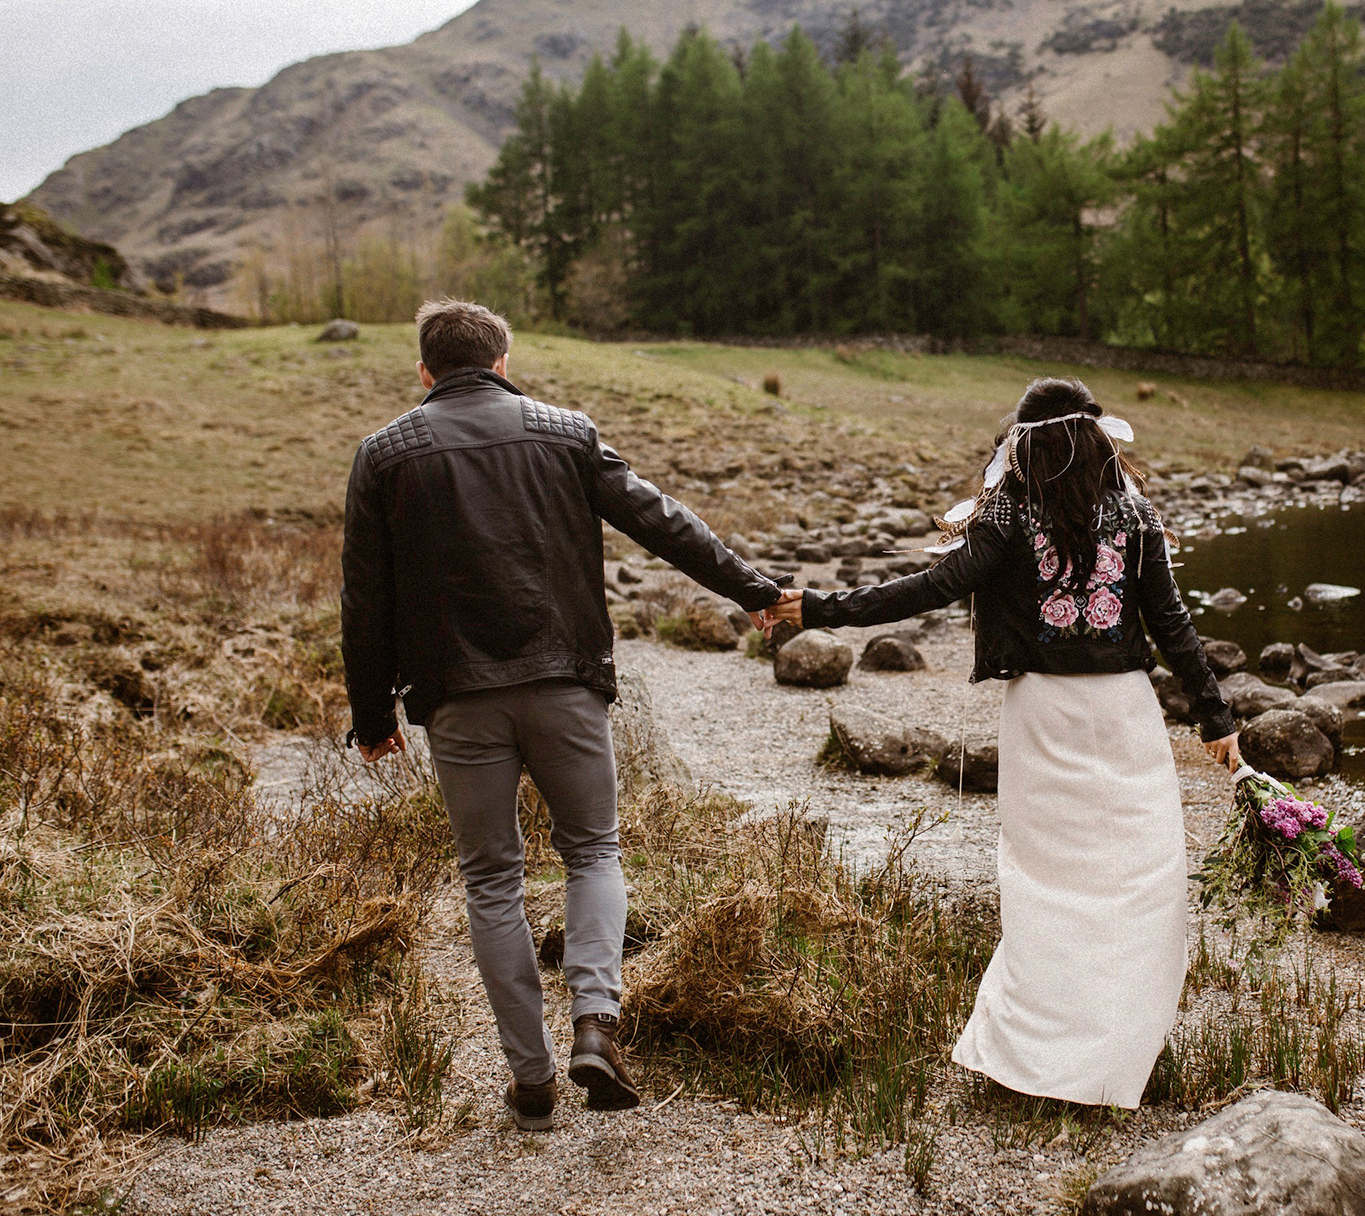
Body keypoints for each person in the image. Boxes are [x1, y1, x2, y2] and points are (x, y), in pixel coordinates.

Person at [340, 299, 788, 1131]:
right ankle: (595, 1023)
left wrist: (373, 716)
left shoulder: (382, 454)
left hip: (457, 699)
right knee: (592, 851)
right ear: (503, 361)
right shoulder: (566, 430)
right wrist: (755, 590)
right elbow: (662, 521)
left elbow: (364, 601)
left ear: (425, 371)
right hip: (566, 682)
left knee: (491, 879)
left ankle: (532, 1076)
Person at [776, 376, 1236, 1108]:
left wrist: (820, 607)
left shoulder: (1008, 514)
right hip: (1124, 713)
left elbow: (932, 585)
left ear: (1024, 446)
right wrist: (1218, 722)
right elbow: (1174, 626)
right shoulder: (1137, 512)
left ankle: (1040, 1057)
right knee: (1139, 882)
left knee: (1046, 887)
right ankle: (1114, 1057)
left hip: (1043, 714)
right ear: (1097, 439)